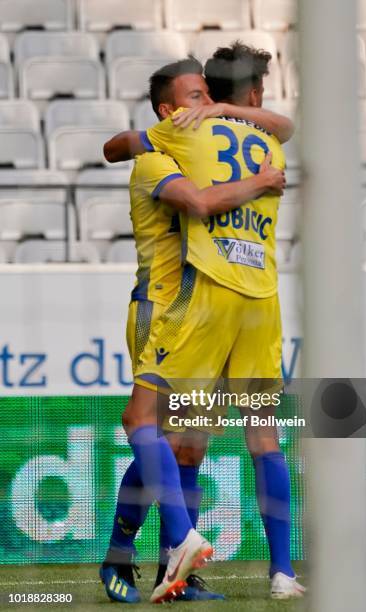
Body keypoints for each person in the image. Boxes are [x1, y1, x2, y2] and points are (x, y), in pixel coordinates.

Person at [101, 56, 288, 604]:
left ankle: (174, 575)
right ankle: (126, 553)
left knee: (187, 450)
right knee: (145, 423)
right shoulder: (156, 161)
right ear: (167, 110)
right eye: (195, 96)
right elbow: (201, 202)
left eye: (210, 94)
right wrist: (261, 180)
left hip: (200, 315)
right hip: (160, 309)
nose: (205, 105)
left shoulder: (200, 147)